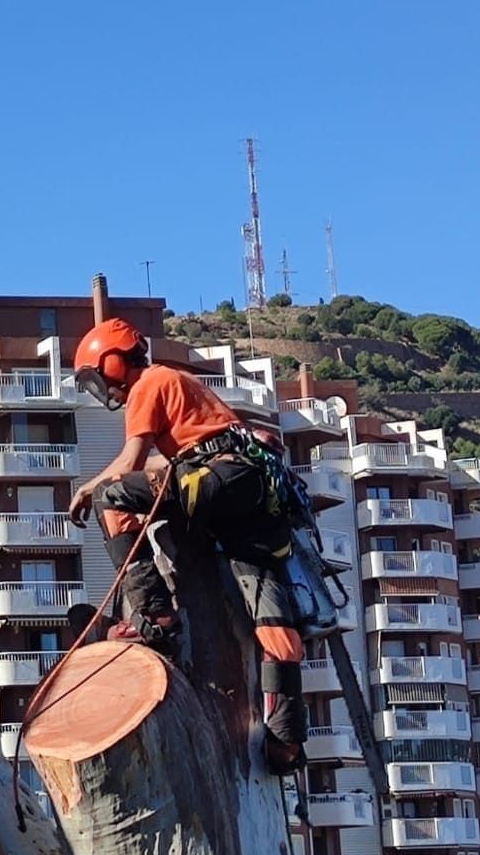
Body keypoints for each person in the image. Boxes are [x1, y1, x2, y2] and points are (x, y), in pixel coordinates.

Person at [66, 317, 307, 773]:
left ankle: (155, 614)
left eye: (99, 378)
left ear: (113, 362)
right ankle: (286, 741)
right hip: (246, 495)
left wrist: (87, 487)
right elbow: (173, 458)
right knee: (274, 623)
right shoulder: (180, 385)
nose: (104, 389)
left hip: (213, 479)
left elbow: (130, 463)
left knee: (110, 498)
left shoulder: (149, 384)